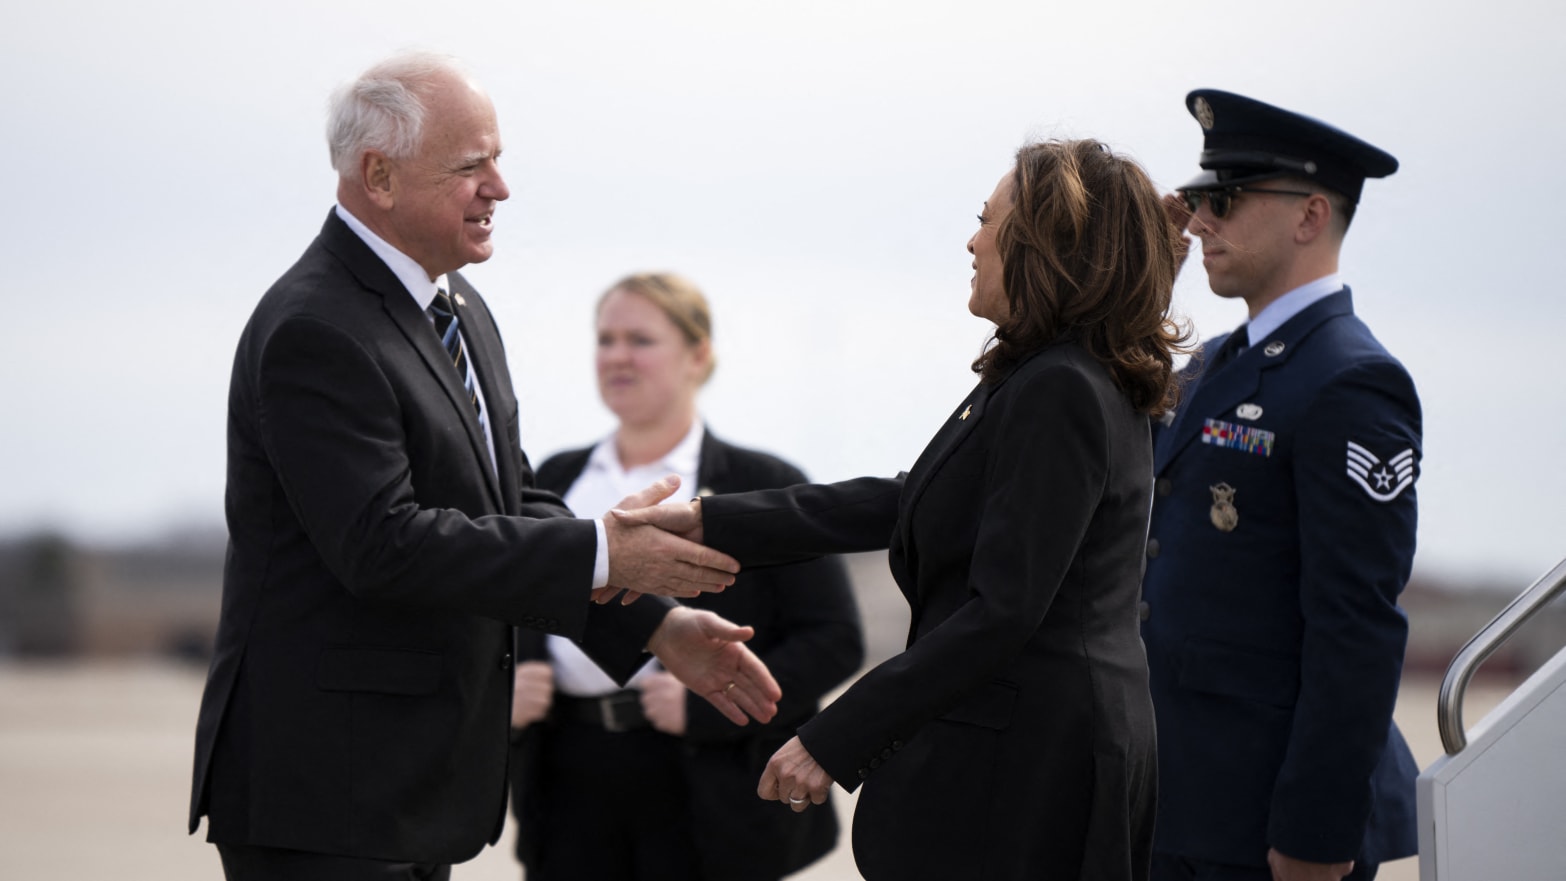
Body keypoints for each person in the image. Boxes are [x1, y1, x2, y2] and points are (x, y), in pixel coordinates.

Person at [187, 52, 782, 881]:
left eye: (497, 160)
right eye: (472, 166)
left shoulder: (458, 307)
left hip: (415, 794)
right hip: (328, 795)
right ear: (379, 176)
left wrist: (654, 624)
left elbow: (511, 502)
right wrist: (605, 551)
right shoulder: (315, 328)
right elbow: (382, 545)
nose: (500, 187)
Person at [616, 139, 1187, 881]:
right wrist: (712, 521)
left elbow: (1004, 611)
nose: (973, 239)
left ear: (1047, 244)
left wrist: (835, 736)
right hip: (1038, 753)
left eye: (988, 219)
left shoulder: (1061, 387)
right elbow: (910, 495)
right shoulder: (1056, 373)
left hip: (1032, 772)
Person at [1140, 89, 1421, 881]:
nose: (1199, 223)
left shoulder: (1351, 382)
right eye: (1198, 200)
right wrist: (1145, 279)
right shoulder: (1218, 364)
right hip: (1181, 803)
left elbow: (1356, 631)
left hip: (1266, 827)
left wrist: (1316, 837)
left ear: (1309, 216)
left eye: (1223, 200)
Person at [507, 272, 865, 881]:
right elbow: (508, 597)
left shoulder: (763, 480)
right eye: (606, 339)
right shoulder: (555, 477)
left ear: (697, 355)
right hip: (566, 773)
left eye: (640, 340)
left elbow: (835, 641)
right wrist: (508, 690)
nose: (617, 356)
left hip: (710, 786)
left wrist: (706, 705)